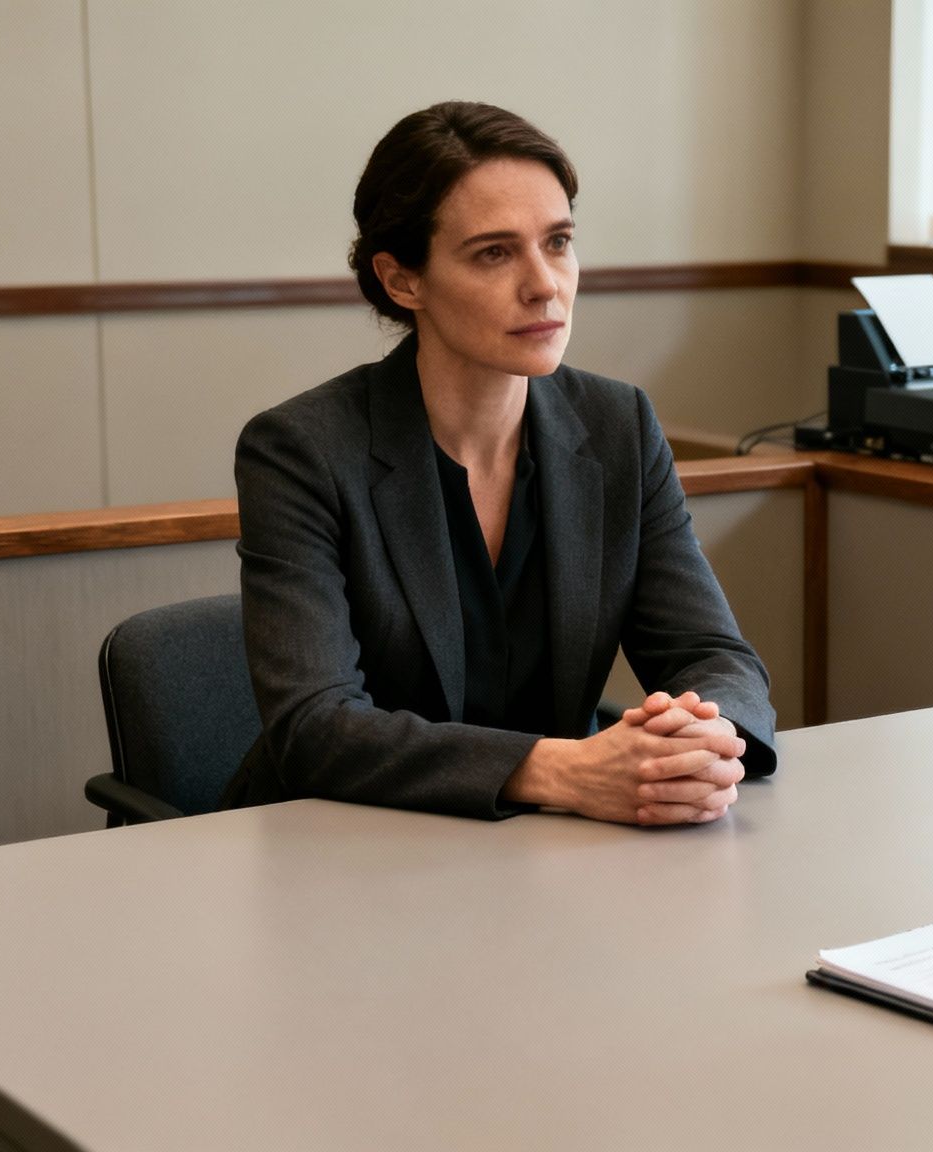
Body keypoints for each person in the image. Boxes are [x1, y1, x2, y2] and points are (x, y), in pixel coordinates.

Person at [220, 102, 776, 826]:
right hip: (340, 850)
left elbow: (715, 656)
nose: (545, 283)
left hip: (541, 852)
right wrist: (560, 767)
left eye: (559, 241)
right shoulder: (302, 449)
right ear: (402, 281)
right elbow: (314, 726)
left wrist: (700, 737)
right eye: (494, 253)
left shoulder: (618, 427)